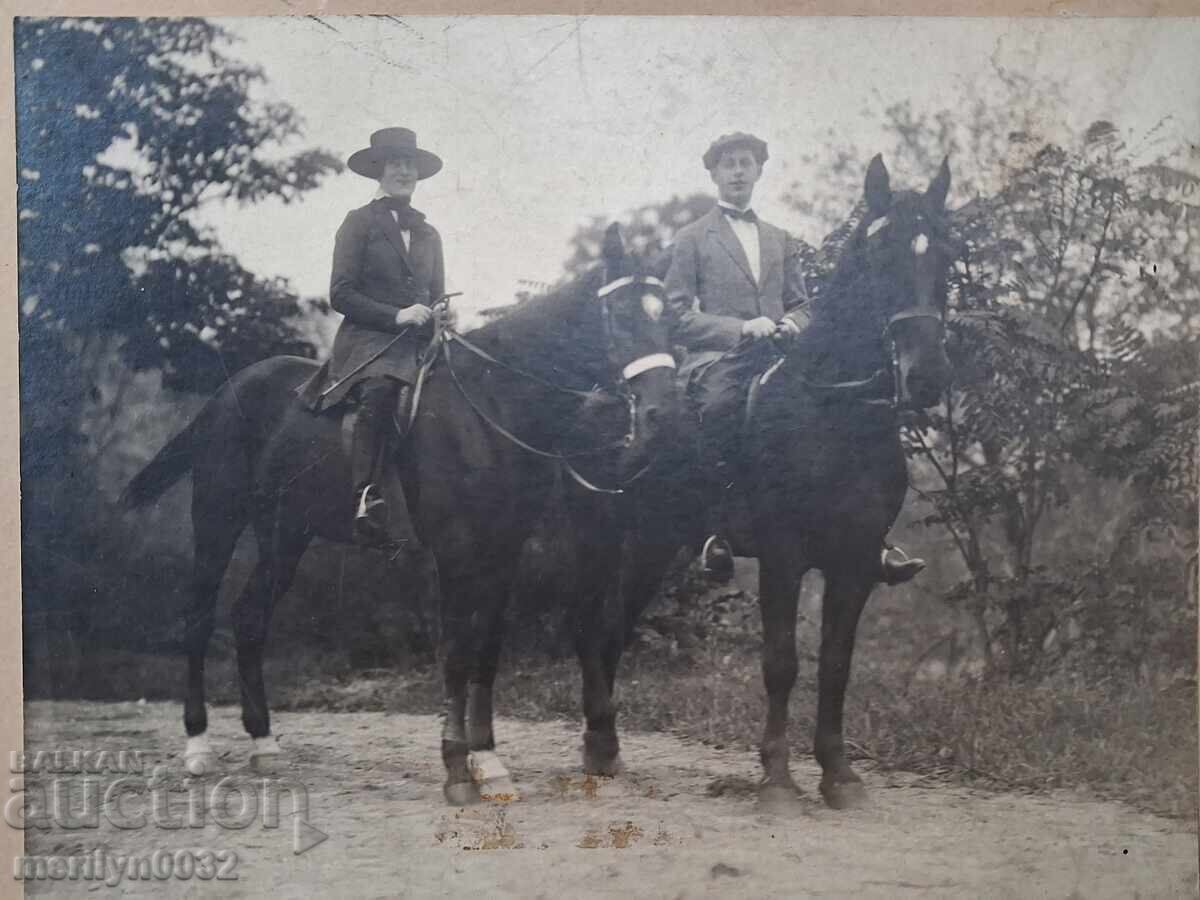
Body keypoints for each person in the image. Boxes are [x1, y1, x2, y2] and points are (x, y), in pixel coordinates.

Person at [664, 131, 925, 585]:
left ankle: (871, 536)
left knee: (836, 411)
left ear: (759, 171)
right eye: (729, 165)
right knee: (722, 407)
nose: (739, 171)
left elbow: (804, 303)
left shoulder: (778, 239)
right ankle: (717, 532)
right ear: (714, 174)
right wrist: (740, 328)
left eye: (746, 163)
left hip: (779, 353)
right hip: (718, 358)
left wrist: (792, 325)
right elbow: (676, 312)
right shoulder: (691, 238)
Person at [298, 127, 446, 544]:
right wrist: (397, 315)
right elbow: (340, 293)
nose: (404, 171)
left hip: (419, 344)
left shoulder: (430, 234)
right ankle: (365, 495)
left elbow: (435, 296)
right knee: (381, 390)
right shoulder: (358, 223)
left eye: (410, 164)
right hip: (369, 341)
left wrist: (440, 315)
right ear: (379, 169)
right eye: (396, 163)